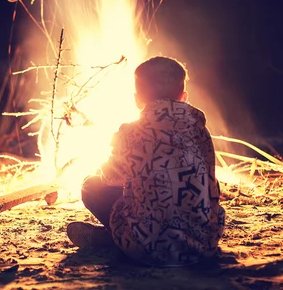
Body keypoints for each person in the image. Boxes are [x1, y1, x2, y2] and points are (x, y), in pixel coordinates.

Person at [67, 56, 225, 266]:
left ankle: (111, 239)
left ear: (137, 99)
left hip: (149, 247)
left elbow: (110, 176)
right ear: (184, 97)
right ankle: (121, 238)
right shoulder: (200, 130)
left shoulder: (133, 132)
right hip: (202, 245)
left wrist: (115, 150)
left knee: (91, 186)